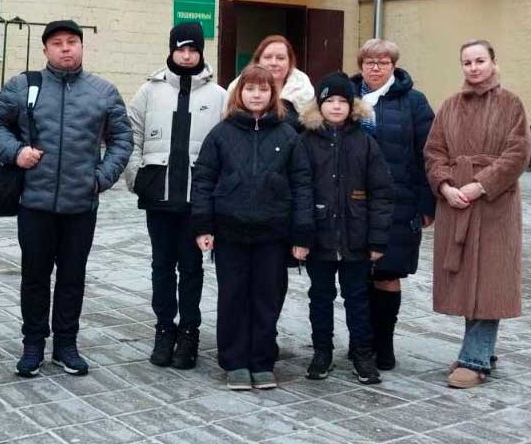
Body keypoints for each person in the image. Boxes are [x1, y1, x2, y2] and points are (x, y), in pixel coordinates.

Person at [0, 20, 133, 378]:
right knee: (34, 276)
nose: (66, 49)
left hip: (81, 206)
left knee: (72, 277)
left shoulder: (103, 93)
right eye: (58, 43)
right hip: (34, 204)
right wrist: (15, 152)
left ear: (82, 47)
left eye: (72, 42)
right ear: (46, 50)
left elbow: (122, 140)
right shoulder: (23, 86)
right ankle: (33, 344)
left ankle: (66, 344)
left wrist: (101, 178)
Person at [191, 64, 313, 391]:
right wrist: (203, 226)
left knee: (267, 299)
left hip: (272, 236)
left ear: (273, 94)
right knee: (233, 297)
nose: (256, 95)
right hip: (230, 233)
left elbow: (302, 185)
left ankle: (262, 361)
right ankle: (234, 363)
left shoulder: (289, 135)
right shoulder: (222, 133)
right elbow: (203, 180)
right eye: (250, 89)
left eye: (263, 89)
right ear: (239, 93)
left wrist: (302, 235)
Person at [424, 39, 530, 389]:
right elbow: (434, 151)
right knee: (466, 280)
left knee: (489, 281)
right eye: (467, 62)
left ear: (493, 62)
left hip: (494, 206)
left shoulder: (511, 104)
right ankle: (482, 351)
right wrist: (445, 186)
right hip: (457, 205)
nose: (474, 67)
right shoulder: (450, 106)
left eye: (480, 60)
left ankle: (474, 358)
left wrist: (480, 185)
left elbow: (517, 154)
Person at [124, 22, 226, 370]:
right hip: (160, 197)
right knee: (162, 266)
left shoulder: (218, 96)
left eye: (193, 49)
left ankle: (189, 332)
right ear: (171, 50)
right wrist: (136, 175)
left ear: (200, 52)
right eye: (180, 49)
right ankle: (164, 328)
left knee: (192, 267)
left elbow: (226, 144)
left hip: (197, 201)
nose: (186, 55)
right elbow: (131, 132)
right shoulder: (150, 90)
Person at [298, 72, 393, 385]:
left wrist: (377, 238)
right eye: (330, 101)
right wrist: (301, 235)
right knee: (320, 297)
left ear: (352, 106)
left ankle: (362, 353)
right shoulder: (306, 142)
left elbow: (381, 193)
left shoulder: (365, 143)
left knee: (358, 298)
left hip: (357, 237)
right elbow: (299, 191)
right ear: (320, 105)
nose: (336, 107)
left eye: (343, 101)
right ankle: (322, 351)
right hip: (320, 236)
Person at [350, 39, 435, 370]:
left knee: (388, 272)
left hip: (399, 203)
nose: (375, 67)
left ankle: (383, 345)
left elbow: (429, 152)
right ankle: (362, 342)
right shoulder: (347, 96)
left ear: (393, 65)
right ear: (360, 65)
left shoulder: (414, 102)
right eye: (369, 62)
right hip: (353, 203)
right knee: (357, 274)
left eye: (383, 62)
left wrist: (428, 202)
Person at [227, 35, 314, 131]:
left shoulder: (303, 91)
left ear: (290, 62)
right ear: (258, 61)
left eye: (280, 58)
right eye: (267, 57)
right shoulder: (237, 89)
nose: (274, 63)